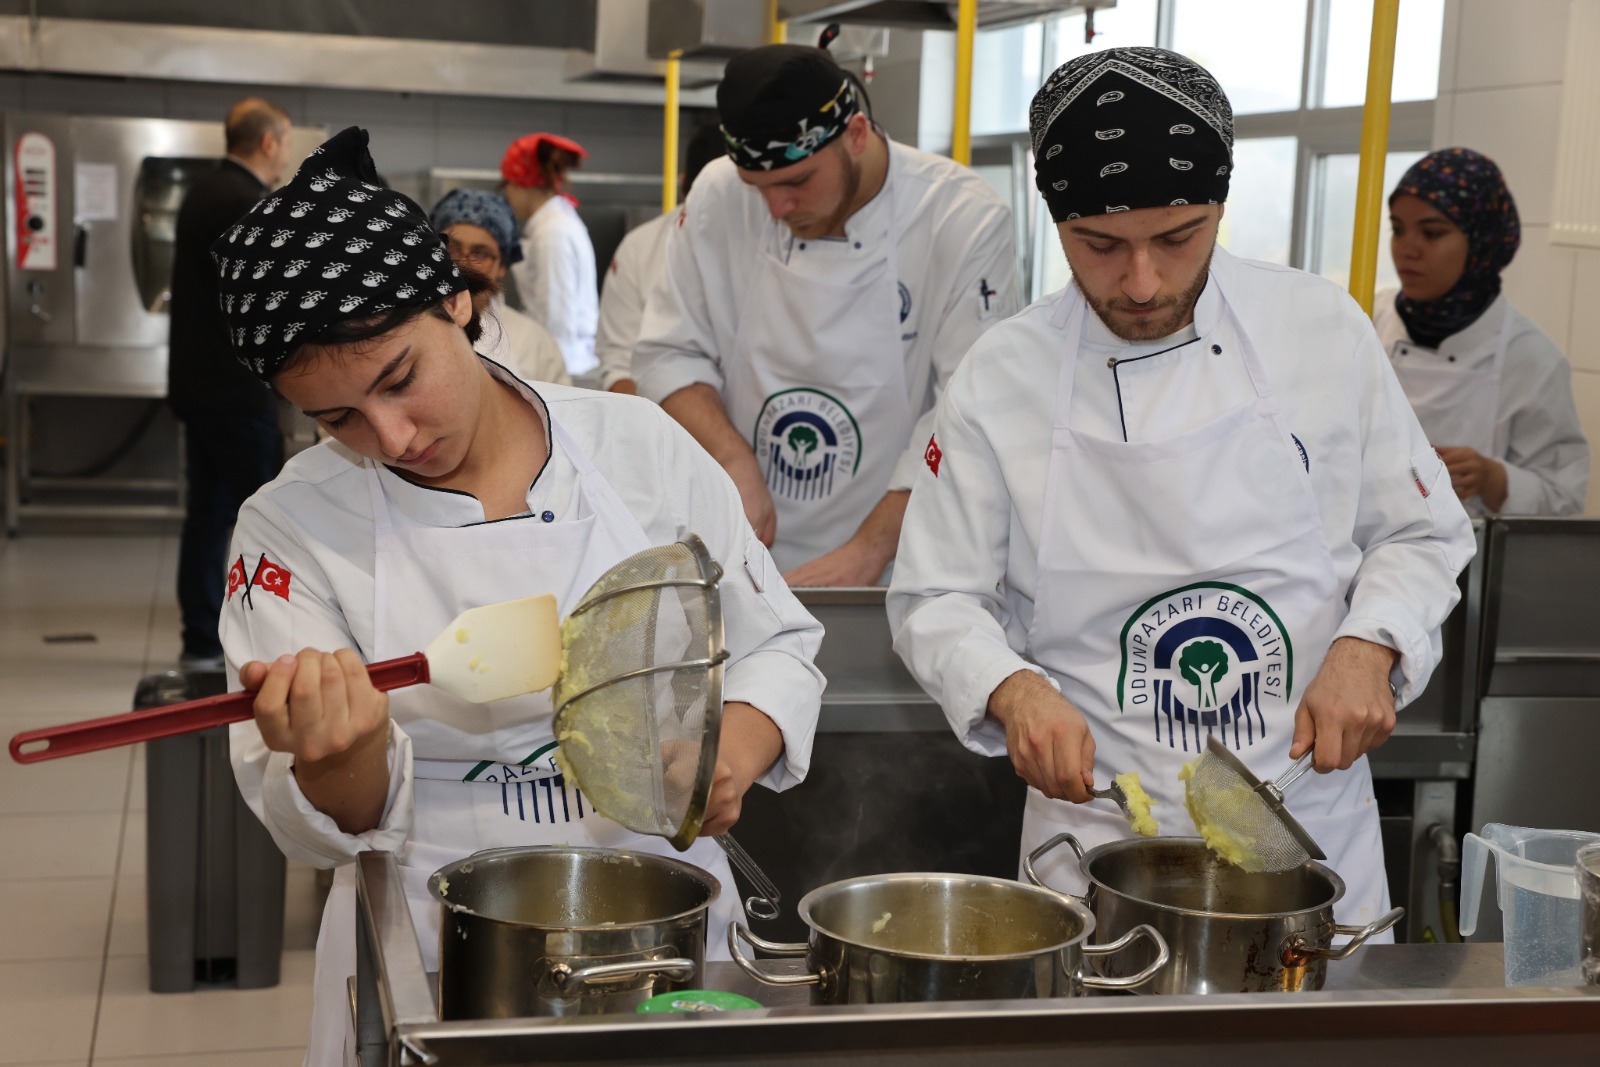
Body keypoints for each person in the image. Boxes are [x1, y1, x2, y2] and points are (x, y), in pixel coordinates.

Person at [213, 128, 824, 1064]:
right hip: (434, 933)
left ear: (457, 299)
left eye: (401, 378)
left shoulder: (638, 447)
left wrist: (729, 751)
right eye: (337, 418)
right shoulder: (290, 528)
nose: (391, 434)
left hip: (662, 915)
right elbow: (327, 813)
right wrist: (345, 752)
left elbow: (777, 639)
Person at [887, 48, 1476, 932]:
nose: (1142, 282)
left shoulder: (1320, 332)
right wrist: (1011, 687)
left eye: (1177, 237)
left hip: (1305, 822)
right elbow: (935, 594)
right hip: (1095, 841)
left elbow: (1422, 534)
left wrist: (1371, 644)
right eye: (1100, 245)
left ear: (1220, 208)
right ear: (1056, 222)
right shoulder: (998, 377)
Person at [633, 43, 1018, 586]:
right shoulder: (718, 193)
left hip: (898, 561)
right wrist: (733, 460)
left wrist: (869, 550)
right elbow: (668, 354)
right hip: (737, 545)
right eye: (757, 188)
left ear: (856, 135)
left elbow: (972, 410)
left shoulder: (960, 217)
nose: (777, 209)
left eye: (796, 182)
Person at [1374, 147, 1589, 516]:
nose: (1407, 250)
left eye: (1432, 233)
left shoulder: (1533, 359)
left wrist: (1493, 479)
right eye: (1397, 229)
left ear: (1481, 242)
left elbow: (1564, 500)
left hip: (1471, 569)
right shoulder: (1369, 317)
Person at [167, 97, 296, 670]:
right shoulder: (244, 202)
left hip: (201, 386)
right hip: (234, 390)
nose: (284, 154)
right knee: (266, 514)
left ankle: (200, 637)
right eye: (284, 142)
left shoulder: (204, 191)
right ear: (268, 142)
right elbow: (265, 303)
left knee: (210, 511)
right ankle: (268, 637)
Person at [594, 121, 727, 395]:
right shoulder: (641, 248)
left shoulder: (776, 241)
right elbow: (619, 365)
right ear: (683, 187)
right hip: (661, 422)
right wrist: (659, 431)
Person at [428, 187, 571, 386]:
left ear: (502, 266)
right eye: (453, 248)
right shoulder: (409, 324)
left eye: (480, 253)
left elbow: (560, 413)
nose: (464, 262)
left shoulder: (533, 341)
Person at [500, 132, 599, 378]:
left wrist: (550, 378)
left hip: (564, 367)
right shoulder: (555, 224)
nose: (508, 195)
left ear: (526, 184)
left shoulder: (552, 234)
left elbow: (556, 319)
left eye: (510, 184)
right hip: (563, 360)